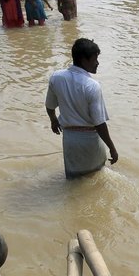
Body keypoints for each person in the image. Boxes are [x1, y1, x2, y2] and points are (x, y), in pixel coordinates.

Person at [45, 38, 119, 177]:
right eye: (94, 59)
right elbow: (99, 123)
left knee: (73, 180)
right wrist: (112, 148)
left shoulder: (56, 78)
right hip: (90, 141)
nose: (97, 63)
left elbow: (49, 106)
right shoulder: (92, 85)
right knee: (96, 178)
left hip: (69, 141)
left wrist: (53, 119)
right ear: (84, 60)